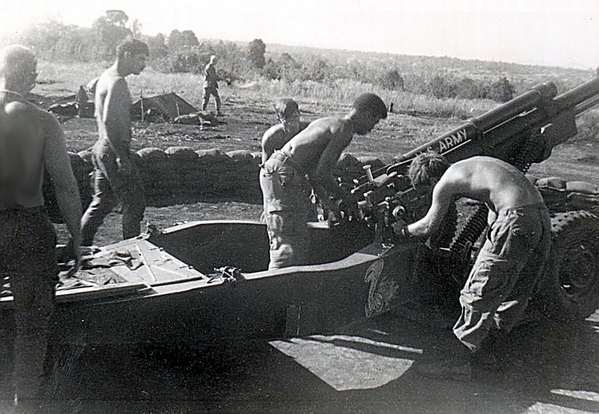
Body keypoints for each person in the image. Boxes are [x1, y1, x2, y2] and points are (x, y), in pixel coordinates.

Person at [393, 152, 551, 380]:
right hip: (539, 217)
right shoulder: (473, 165)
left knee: (479, 291)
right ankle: (490, 354)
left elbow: (428, 226)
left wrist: (402, 230)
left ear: (429, 180)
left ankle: (456, 362)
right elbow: (493, 203)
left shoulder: (445, 182)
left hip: (515, 217)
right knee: (514, 290)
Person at [0, 45, 83, 405]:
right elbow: (65, 185)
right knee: (31, 328)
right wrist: (77, 240)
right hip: (26, 229)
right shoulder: (42, 119)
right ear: (25, 73)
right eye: (32, 69)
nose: (35, 75)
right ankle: (23, 405)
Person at [260, 93, 387, 269]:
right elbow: (323, 174)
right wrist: (348, 198)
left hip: (278, 171)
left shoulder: (330, 121)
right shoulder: (344, 129)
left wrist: (329, 204)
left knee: (292, 237)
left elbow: (313, 173)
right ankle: (274, 286)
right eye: (375, 121)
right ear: (366, 114)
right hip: (285, 174)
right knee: (290, 245)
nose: (373, 127)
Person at [80, 38, 148, 247]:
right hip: (113, 150)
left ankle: (76, 247)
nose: (143, 65)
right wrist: (121, 156)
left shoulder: (105, 76)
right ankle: (133, 251)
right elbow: (109, 119)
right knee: (135, 204)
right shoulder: (118, 81)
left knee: (102, 202)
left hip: (101, 148)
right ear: (127, 54)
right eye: (140, 59)